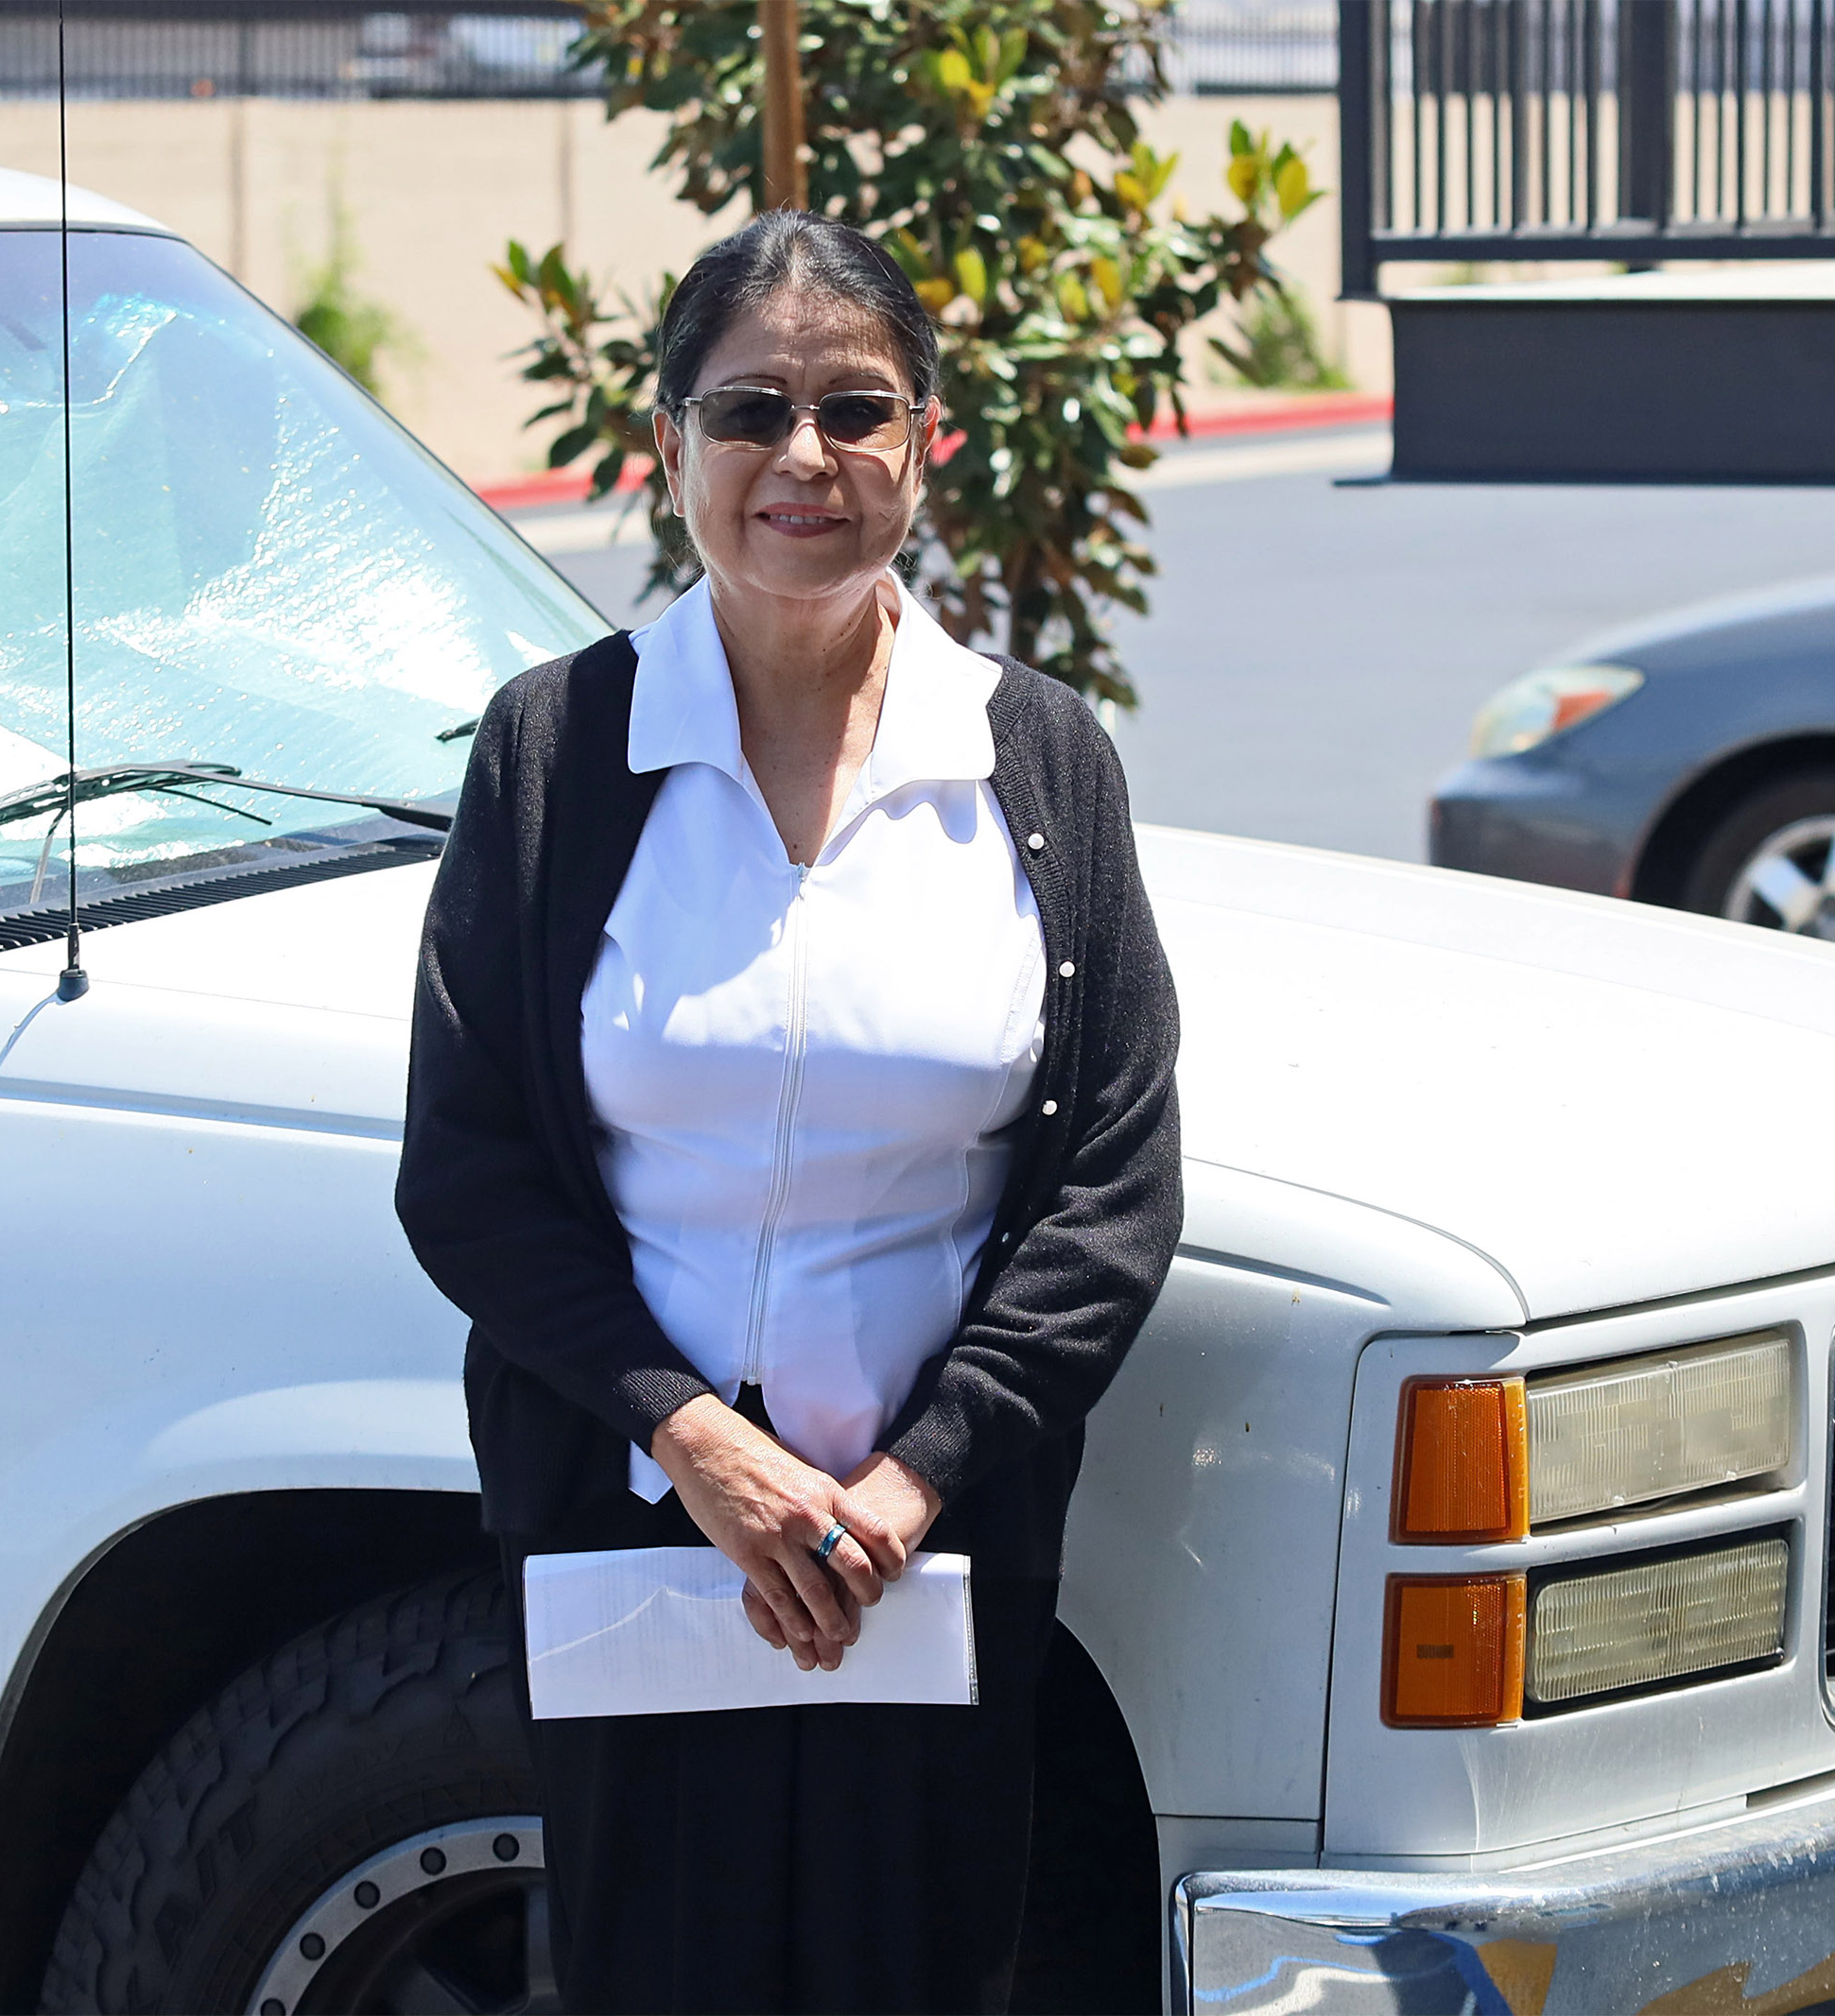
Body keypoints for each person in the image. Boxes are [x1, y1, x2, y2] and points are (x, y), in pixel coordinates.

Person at [394, 208, 1182, 2015]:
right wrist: (700, 1447)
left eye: (855, 409)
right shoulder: (551, 754)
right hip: (636, 1525)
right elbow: (469, 1171)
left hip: (935, 1554)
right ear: (669, 446)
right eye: (748, 411)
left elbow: (1114, 1192)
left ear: (928, 441)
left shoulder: (1039, 765)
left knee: (924, 1972)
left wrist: (914, 1483)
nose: (800, 458)